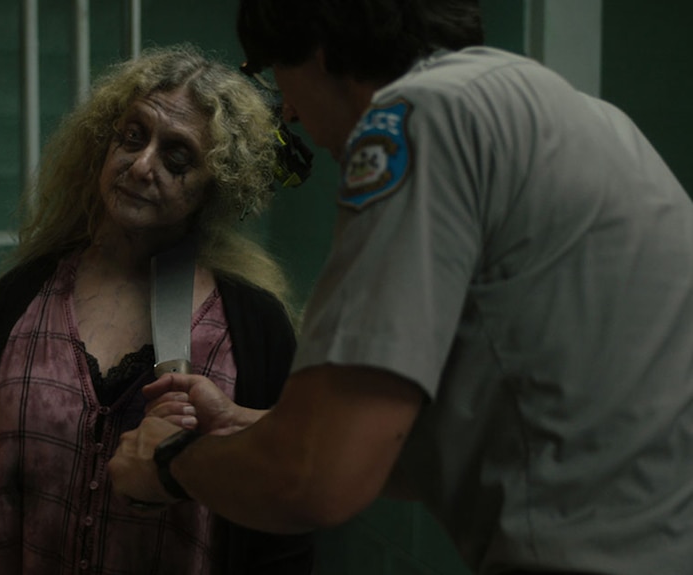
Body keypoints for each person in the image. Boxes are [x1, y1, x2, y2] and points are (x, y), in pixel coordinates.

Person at [107, 1, 693, 574]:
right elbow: (506, 439)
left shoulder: (419, 117)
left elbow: (314, 481)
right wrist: (250, 427)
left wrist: (168, 464)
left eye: (273, 74)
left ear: (315, 48)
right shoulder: (579, 116)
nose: (286, 112)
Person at [0, 43, 314, 574]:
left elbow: (284, 520)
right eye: (133, 137)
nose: (141, 165)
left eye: (177, 158)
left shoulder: (252, 326)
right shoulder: (22, 298)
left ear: (215, 186)